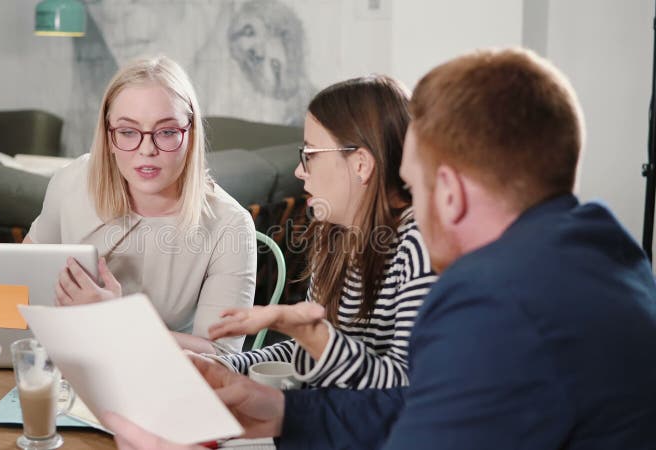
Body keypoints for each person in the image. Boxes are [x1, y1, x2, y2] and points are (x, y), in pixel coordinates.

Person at [102, 48, 656, 449]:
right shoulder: (602, 253)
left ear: (451, 193)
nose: (406, 201)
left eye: (412, 182)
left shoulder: (499, 304)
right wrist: (280, 412)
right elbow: (410, 407)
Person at [205, 74, 436, 390]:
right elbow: (311, 353)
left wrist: (308, 333)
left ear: (360, 164)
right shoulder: (338, 236)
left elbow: (406, 387)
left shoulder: (418, 245)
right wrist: (223, 366)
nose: (300, 170)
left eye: (310, 154)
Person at [25, 56, 257, 355]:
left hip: (167, 378)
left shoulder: (230, 224)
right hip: (69, 363)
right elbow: (20, 281)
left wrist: (120, 318)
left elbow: (222, 357)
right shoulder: (71, 183)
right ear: (108, 136)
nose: (147, 150)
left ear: (191, 134)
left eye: (167, 132)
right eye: (128, 132)